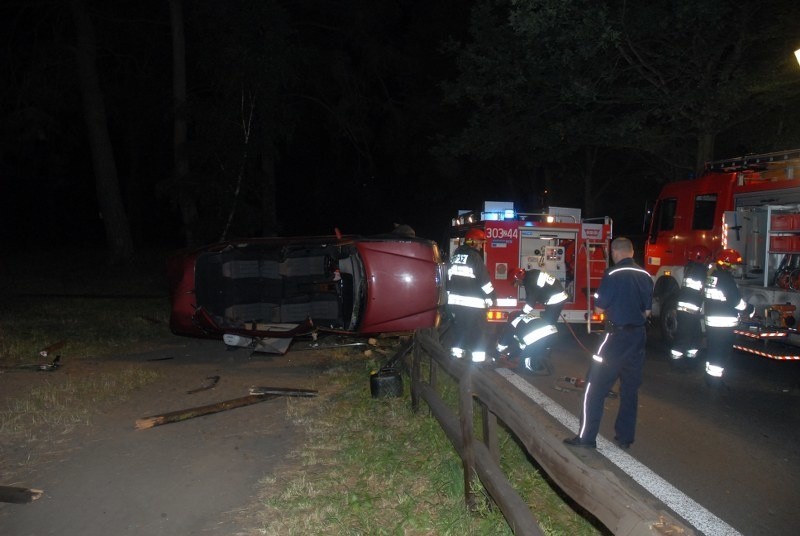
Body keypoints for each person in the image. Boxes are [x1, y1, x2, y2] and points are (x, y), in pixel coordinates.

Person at [564, 237, 653, 449]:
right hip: (638, 337)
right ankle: (624, 438)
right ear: (632, 252)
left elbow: (599, 309)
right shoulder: (646, 275)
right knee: (630, 390)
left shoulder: (612, 274)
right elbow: (648, 311)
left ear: (615, 253)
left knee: (594, 387)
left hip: (615, 338)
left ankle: (586, 438)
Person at [495, 267, 568, 372]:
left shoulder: (530, 281)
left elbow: (530, 303)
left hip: (555, 299)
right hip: (555, 298)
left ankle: (543, 352)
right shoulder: (532, 275)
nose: (518, 284)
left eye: (517, 282)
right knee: (546, 325)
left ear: (518, 278)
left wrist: (521, 313)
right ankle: (544, 349)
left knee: (547, 324)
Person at [447, 228, 496, 363]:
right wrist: (492, 296)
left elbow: (449, 279)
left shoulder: (456, 255)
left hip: (456, 303)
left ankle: (456, 356)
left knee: (460, 329)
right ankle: (478, 360)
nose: (481, 246)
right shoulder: (474, 257)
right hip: (473, 305)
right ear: (472, 242)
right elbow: (484, 281)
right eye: (480, 243)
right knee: (478, 332)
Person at [703, 248, 750, 386]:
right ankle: (715, 382)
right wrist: (750, 309)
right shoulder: (725, 279)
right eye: (734, 265)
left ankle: (710, 378)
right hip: (723, 325)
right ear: (727, 264)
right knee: (721, 353)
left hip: (712, 323)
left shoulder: (712, 276)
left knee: (713, 351)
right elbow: (736, 302)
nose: (735, 268)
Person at [670, 245, 711, 367]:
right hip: (689, 310)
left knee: (694, 335)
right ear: (701, 257)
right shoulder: (700, 270)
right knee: (685, 337)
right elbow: (705, 286)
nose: (707, 261)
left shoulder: (690, 268)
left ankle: (689, 360)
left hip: (687, 310)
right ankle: (677, 362)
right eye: (707, 258)